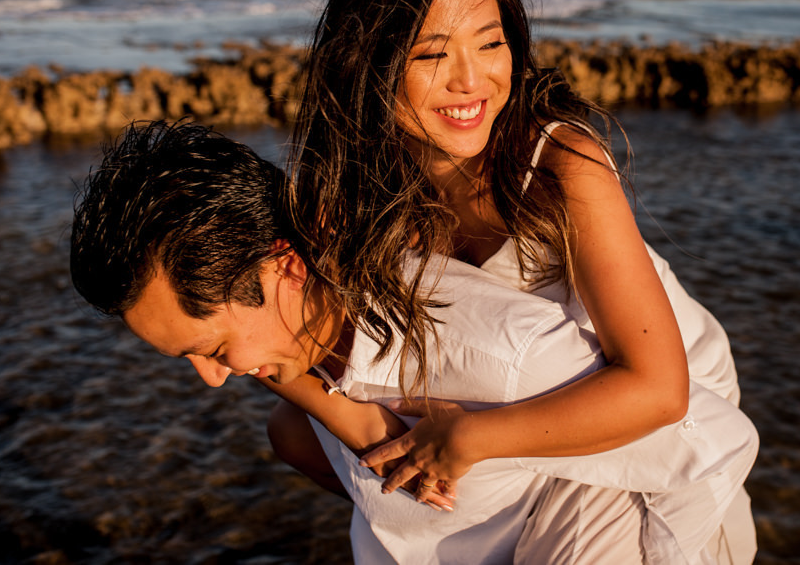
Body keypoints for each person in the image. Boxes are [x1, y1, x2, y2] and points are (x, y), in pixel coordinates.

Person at [286, 0, 758, 562]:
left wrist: (474, 441)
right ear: (367, 62)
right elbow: (289, 400)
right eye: (431, 54)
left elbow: (659, 390)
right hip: (514, 453)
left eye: (490, 41)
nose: (472, 79)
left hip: (647, 434)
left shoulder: (561, 166)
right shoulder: (347, 203)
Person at [70, 120, 758, 564]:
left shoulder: (495, 358)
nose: (214, 379)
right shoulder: (303, 397)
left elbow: (713, 441)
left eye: (214, 350)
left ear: (284, 264)